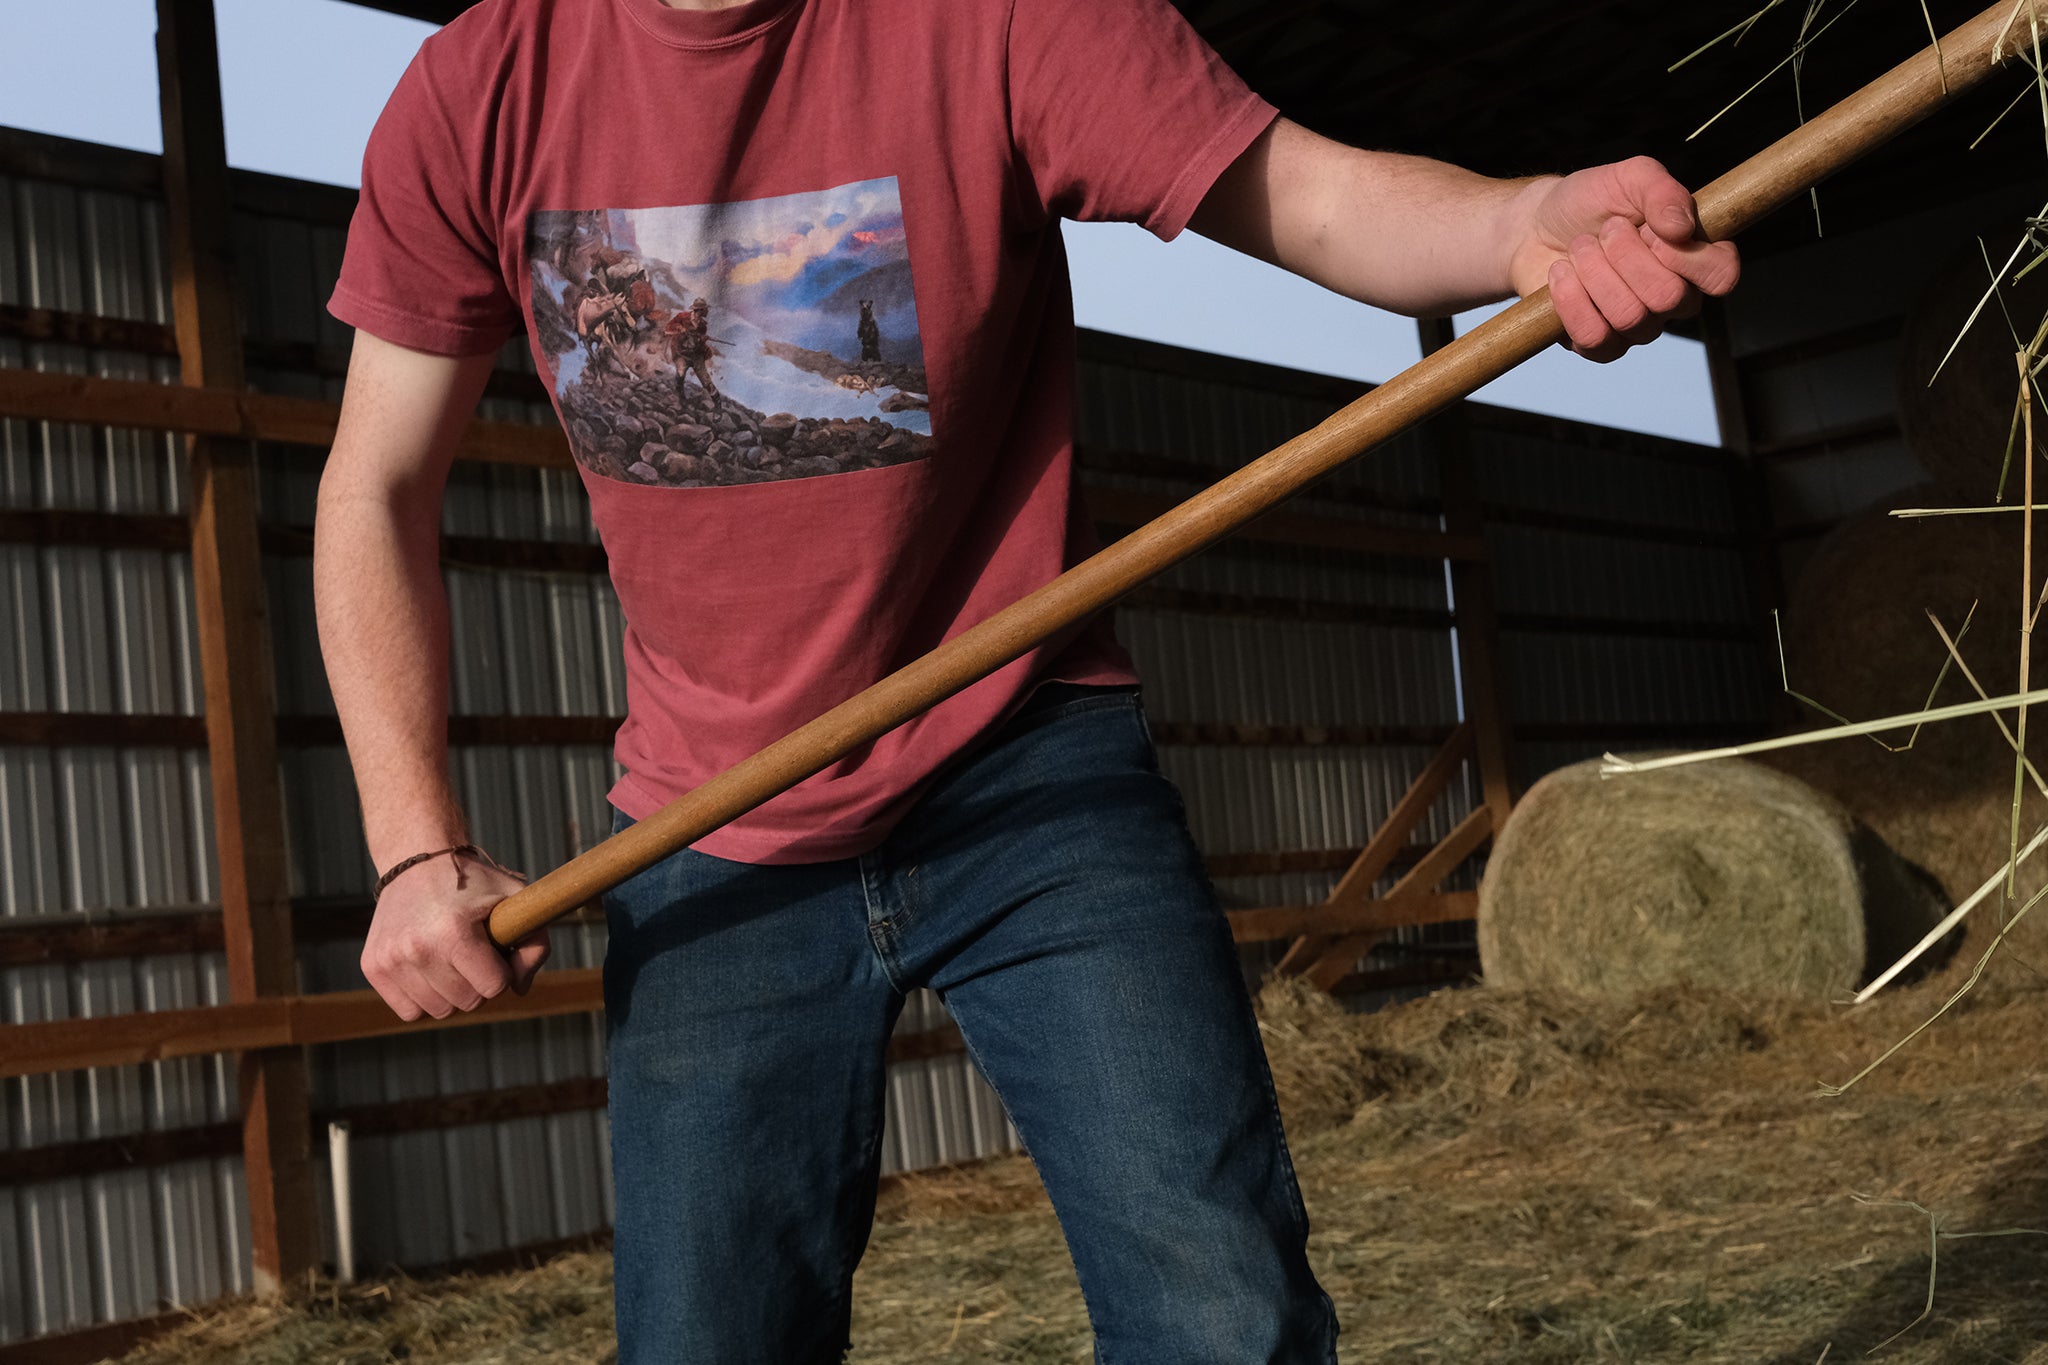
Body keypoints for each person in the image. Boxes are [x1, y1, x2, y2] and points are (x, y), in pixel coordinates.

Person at [314, 1, 1739, 1360]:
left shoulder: (992, 17)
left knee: (1226, 1315)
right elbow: (375, 484)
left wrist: (1516, 224)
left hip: (1031, 766)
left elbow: (1303, 193)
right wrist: (410, 848)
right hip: (709, 830)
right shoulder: (477, 94)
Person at [663, 295, 719, 401]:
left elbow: (698, 344)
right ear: (699, 311)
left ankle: (717, 407)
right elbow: (669, 327)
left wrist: (702, 339)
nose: (707, 312)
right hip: (681, 352)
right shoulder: (682, 317)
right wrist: (680, 328)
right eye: (705, 309)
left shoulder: (703, 326)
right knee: (680, 372)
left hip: (695, 355)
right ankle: (680, 398)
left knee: (706, 380)